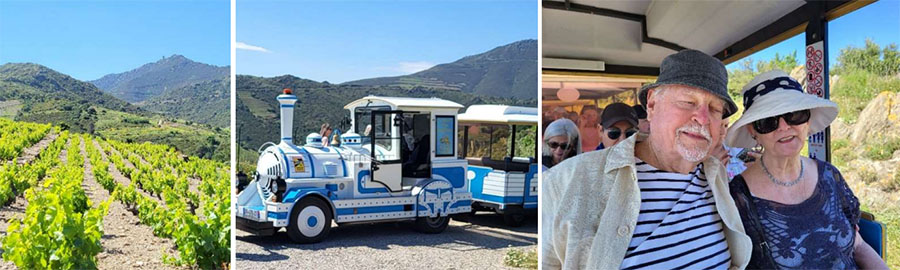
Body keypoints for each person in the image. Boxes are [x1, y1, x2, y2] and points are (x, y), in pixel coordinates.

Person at [542, 49, 751, 269]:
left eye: (715, 108)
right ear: (651, 105)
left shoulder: (715, 175)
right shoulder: (568, 180)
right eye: (688, 102)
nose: (703, 118)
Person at [725, 70, 888, 269]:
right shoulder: (737, 197)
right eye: (768, 121)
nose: (784, 127)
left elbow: (858, 245)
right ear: (753, 131)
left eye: (794, 115)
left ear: (808, 121)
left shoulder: (830, 175)